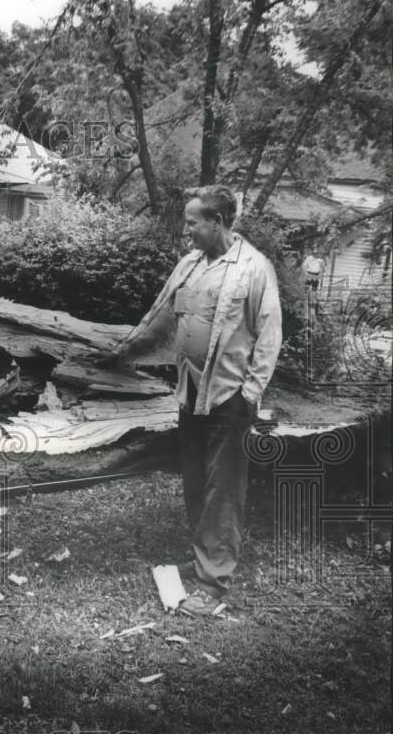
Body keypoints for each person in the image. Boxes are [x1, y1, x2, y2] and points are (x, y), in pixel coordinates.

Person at [99, 185, 282, 616]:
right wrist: (120, 353)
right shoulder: (189, 265)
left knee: (223, 490)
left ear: (217, 221)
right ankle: (207, 558)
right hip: (191, 392)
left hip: (229, 397)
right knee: (197, 482)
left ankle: (213, 586)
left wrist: (250, 395)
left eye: (193, 222)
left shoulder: (254, 269)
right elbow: (158, 318)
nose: (188, 230)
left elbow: (269, 337)